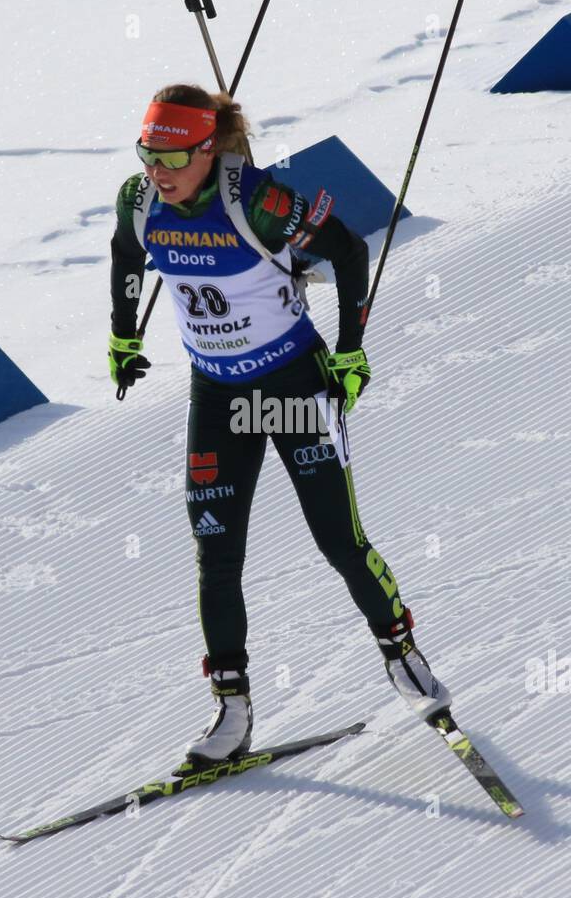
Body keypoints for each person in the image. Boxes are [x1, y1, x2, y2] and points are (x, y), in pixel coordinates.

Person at [109, 83, 450, 766]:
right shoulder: (140, 200)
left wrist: (351, 347)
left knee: (339, 541)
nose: (159, 173)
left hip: (291, 386)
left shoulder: (258, 201)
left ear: (209, 150)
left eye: (173, 158)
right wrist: (123, 338)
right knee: (216, 554)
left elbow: (349, 252)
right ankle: (231, 712)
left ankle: (402, 655)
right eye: (149, 155)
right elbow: (124, 257)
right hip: (218, 398)